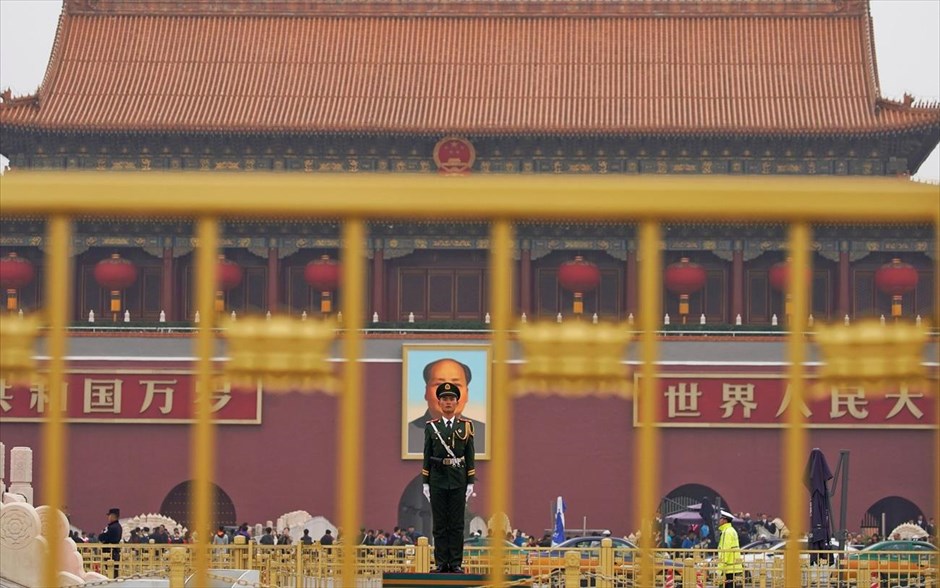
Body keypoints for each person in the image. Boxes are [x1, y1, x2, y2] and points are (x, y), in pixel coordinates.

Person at [422, 382, 476, 573]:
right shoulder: (431, 427)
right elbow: (427, 455)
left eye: (451, 399)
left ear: (457, 402)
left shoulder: (466, 426)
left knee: (456, 524)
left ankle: (455, 563)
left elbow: (470, 455)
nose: (448, 402)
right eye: (444, 399)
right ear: (439, 402)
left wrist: (470, 482)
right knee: (439, 524)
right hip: (437, 479)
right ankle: (441, 563)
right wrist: (425, 482)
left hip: (458, 479)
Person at [408, 358, 486, 454]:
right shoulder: (406, 435)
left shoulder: (486, 435)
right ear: (426, 392)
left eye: (456, 385)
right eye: (439, 384)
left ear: (467, 393)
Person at [716, 510, 744, 587]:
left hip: (729, 567)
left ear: (725, 520)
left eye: (721, 518)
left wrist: (720, 568)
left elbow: (725, 551)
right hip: (735, 566)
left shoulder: (726, 532)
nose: (719, 520)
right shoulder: (732, 530)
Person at [100, 508, 123, 579]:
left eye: (109, 515)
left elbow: (102, 537)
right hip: (114, 552)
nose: (108, 517)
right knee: (114, 571)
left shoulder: (112, 527)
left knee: (111, 572)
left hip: (110, 552)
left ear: (113, 516)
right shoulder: (118, 526)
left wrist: (102, 535)